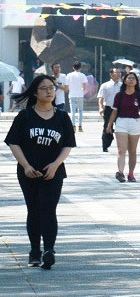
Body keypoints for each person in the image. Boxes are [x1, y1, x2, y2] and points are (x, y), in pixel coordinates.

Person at [4, 74, 76, 270]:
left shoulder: (62, 117)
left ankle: (49, 251)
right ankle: (35, 251)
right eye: (44, 88)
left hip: (53, 172)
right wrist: (26, 166)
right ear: (35, 92)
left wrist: (55, 165)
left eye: (52, 88)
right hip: (29, 172)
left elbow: (68, 145)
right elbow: (13, 142)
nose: (49, 91)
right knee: (34, 209)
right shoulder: (25, 116)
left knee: (48, 208)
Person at [105, 71, 140, 183]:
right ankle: (120, 172)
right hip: (121, 122)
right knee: (121, 150)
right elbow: (114, 112)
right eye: (129, 78)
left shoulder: (139, 95)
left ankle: (131, 173)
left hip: (135, 123)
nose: (131, 80)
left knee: (132, 151)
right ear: (125, 80)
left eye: (133, 78)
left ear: (136, 82)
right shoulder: (119, 95)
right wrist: (109, 125)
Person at [97, 68, 122, 152]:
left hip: (120, 110)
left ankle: (122, 145)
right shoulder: (105, 85)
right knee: (107, 127)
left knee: (121, 127)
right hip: (109, 109)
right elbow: (101, 98)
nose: (118, 74)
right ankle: (105, 145)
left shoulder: (122, 86)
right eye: (116, 72)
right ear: (111, 74)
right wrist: (100, 107)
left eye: (119, 72)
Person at [64, 62, 88, 133]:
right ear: (80, 67)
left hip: (72, 95)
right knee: (80, 111)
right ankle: (80, 126)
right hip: (80, 95)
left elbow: (67, 86)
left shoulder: (69, 75)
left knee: (73, 112)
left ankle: (73, 126)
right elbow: (84, 87)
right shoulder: (82, 75)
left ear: (73, 68)